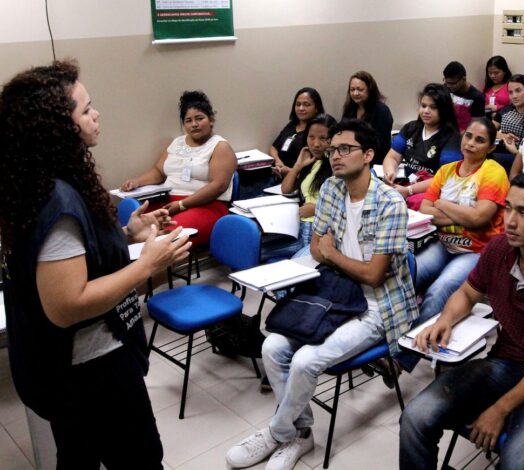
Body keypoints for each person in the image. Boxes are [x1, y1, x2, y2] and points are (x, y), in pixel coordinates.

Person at [0, 60, 191, 469]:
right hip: (91, 370)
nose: (96, 114)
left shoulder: (37, 181)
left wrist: (125, 235)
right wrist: (146, 265)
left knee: (78, 457)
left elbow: (66, 258)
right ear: (58, 127)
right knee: (139, 460)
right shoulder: (57, 201)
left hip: (67, 370)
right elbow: (67, 304)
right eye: (86, 110)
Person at [225, 119, 418, 470]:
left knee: (304, 361)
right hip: (336, 292)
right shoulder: (330, 188)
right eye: (332, 150)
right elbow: (316, 248)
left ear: (368, 155)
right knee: (271, 347)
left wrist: (333, 255)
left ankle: (277, 433)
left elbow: (374, 275)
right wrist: (332, 256)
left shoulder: (390, 203)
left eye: (345, 149)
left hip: (376, 305)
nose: (335, 156)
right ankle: (299, 434)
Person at [399, 172, 524, 470]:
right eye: (508, 208)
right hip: (506, 362)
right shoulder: (499, 248)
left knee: (520, 462)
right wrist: (446, 320)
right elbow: (467, 293)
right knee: (415, 417)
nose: (510, 221)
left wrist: (500, 408)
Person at [392, 118, 509, 374]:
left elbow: (480, 219)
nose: (471, 143)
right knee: (404, 277)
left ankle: (401, 359)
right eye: (468, 136)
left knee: (439, 290)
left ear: (491, 147)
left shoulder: (493, 172)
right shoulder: (446, 170)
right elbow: (426, 210)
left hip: (477, 251)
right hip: (444, 244)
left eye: (480, 140)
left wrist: (443, 204)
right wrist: (462, 213)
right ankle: (387, 341)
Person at [120, 90, 238, 246]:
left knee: (161, 236)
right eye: (188, 120)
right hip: (171, 204)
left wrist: (182, 204)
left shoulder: (220, 147)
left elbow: (218, 186)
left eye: (199, 118)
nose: (194, 124)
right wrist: (137, 182)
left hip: (206, 206)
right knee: (133, 225)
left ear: (211, 120)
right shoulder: (177, 143)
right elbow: (159, 171)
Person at [382, 83, 461, 205]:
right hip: (404, 183)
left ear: (444, 110)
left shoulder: (452, 138)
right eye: (423, 106)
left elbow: (445, 178)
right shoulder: (410, 128)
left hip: (429, 190)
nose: (426, 111)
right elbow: (392, 157)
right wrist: (390, 172)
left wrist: (409, 190)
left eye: (433, 107)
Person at [278, 113, 337, 254]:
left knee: (263, 252)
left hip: (318, 228)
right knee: (257, 247)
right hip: (300, 224)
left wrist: (316, 209)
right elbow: (285, 189)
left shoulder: (335, 165)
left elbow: (344, 203)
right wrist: (298, 165)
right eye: (311, 137)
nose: (316, 144)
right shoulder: (311, 162)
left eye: (323, 139)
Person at [268, 87, 325, 179]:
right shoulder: (292, 125)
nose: (301, 108)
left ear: (316, 108)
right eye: (298, 104)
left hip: (296, 180)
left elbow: (313, 172)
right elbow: (273, 148)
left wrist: (288, 171)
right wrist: (278, 162)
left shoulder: (316, 132)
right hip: (276, 173)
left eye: (306, 105)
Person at [341, 71, 394, 164]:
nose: (355, 93)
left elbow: (376, 143)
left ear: (370, 90)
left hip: (375, 161)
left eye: (360, 89)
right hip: (351, 158)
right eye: (352, 89)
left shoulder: (382, 111)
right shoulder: (350, 109)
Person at [493, 74, 524, 156]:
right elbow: (488, 130)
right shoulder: (506, 109)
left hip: (521, 156)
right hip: (499, 149)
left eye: (518, 91)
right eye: (510, 92)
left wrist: (516, 152)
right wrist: (504, 136)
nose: (514, 96)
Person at [443, 61, 486, 132]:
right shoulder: (446, 88)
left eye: (453, 83)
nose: (449, 86)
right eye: (447, 82)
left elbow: (477, 125)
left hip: (464, 134)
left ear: (463, 79)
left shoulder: (477, 97)